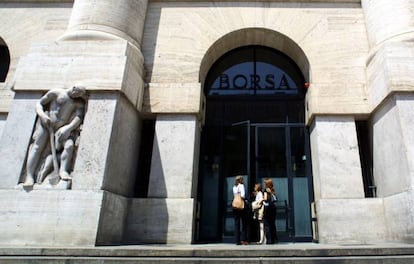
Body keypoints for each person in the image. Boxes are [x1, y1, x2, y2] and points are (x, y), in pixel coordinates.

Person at [23, 86, 87, 186]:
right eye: (78, 93)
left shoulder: (78, 102)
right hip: (46, 125)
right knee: (37, 147)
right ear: (74, 88)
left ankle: (63, 170)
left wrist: (68, 128)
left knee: (69, 146)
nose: (78, 95)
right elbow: (39, 103)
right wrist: (42, 115)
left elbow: (78, 117)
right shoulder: (56, 92)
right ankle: (29, 176)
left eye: (80, 94)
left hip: (62, 129)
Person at [232, 175, 248, 245]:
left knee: (237, 223)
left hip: (235, 205)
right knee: (244, 223)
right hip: (241, 205)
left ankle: (237, 240)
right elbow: (243, 195)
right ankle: (243, 239)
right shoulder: (241, 186)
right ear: (241, 180)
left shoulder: (234, 187)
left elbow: (235, 195)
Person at [263, 178, 278, 244]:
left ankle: (269, 240)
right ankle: (274, 239)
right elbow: (275, 199)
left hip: (267, 208)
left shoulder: (266, 190)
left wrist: (262, 200)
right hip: (273, 208)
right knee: (272, 224)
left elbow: (265, 199)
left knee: (267, 224)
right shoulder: (273, 190)